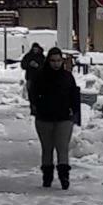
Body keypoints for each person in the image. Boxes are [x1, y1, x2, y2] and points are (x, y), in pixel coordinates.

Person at [28, 47, 80, 190]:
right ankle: (47, 176)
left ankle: (64, 177)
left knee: (62, 148)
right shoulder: (40, 76)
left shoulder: (67, 77)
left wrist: (74, 112)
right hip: (44, 118)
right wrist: (35, 107)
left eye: (58, 60)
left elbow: (74, 95)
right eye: (53, 61)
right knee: (47, 148)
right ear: (48, 61)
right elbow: (33, 93)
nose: (56, 64)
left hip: (64, 118)